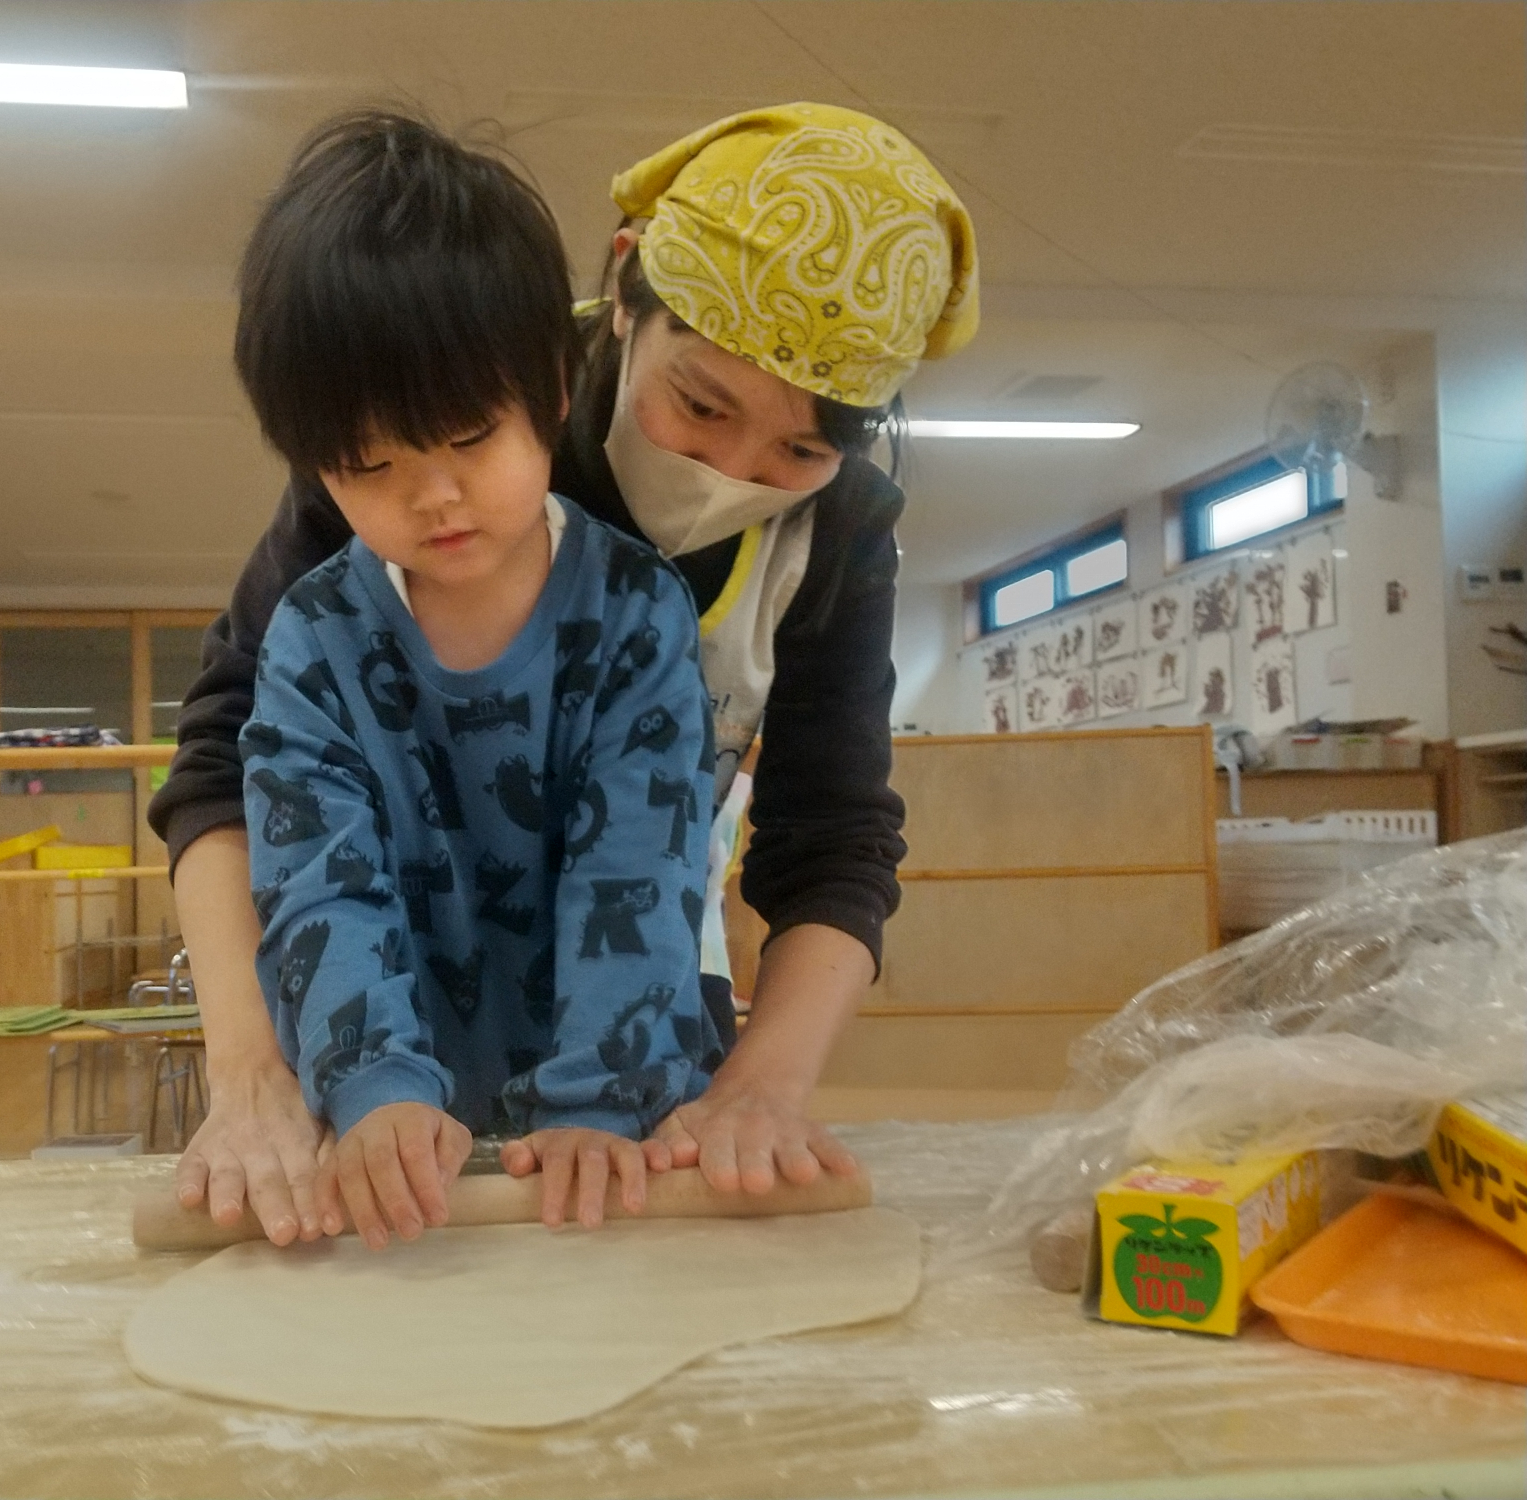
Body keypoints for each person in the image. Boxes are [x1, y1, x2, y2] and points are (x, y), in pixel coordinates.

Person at [151, 103, 980, 1247]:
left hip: (623, 1049)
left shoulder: (687, 593)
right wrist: (274, 1076)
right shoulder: (419, 412)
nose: (730, 471)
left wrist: (750, 1085)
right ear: (618, 303)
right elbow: (252, 796)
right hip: (377, 1055)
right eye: (698, 405)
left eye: (799, 448)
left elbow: (777, 845)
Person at [228, 111, 723, 1247]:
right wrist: (370, 1087)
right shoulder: (312, 642)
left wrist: (601, 1094)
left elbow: (636, 872)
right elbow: (317, 883)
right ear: (315, 466)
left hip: (627, 1128)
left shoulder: (636, 614)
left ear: (551, 386)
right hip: (399, 1144)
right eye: (370, 465)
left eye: (467, 439)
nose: (433, 496)